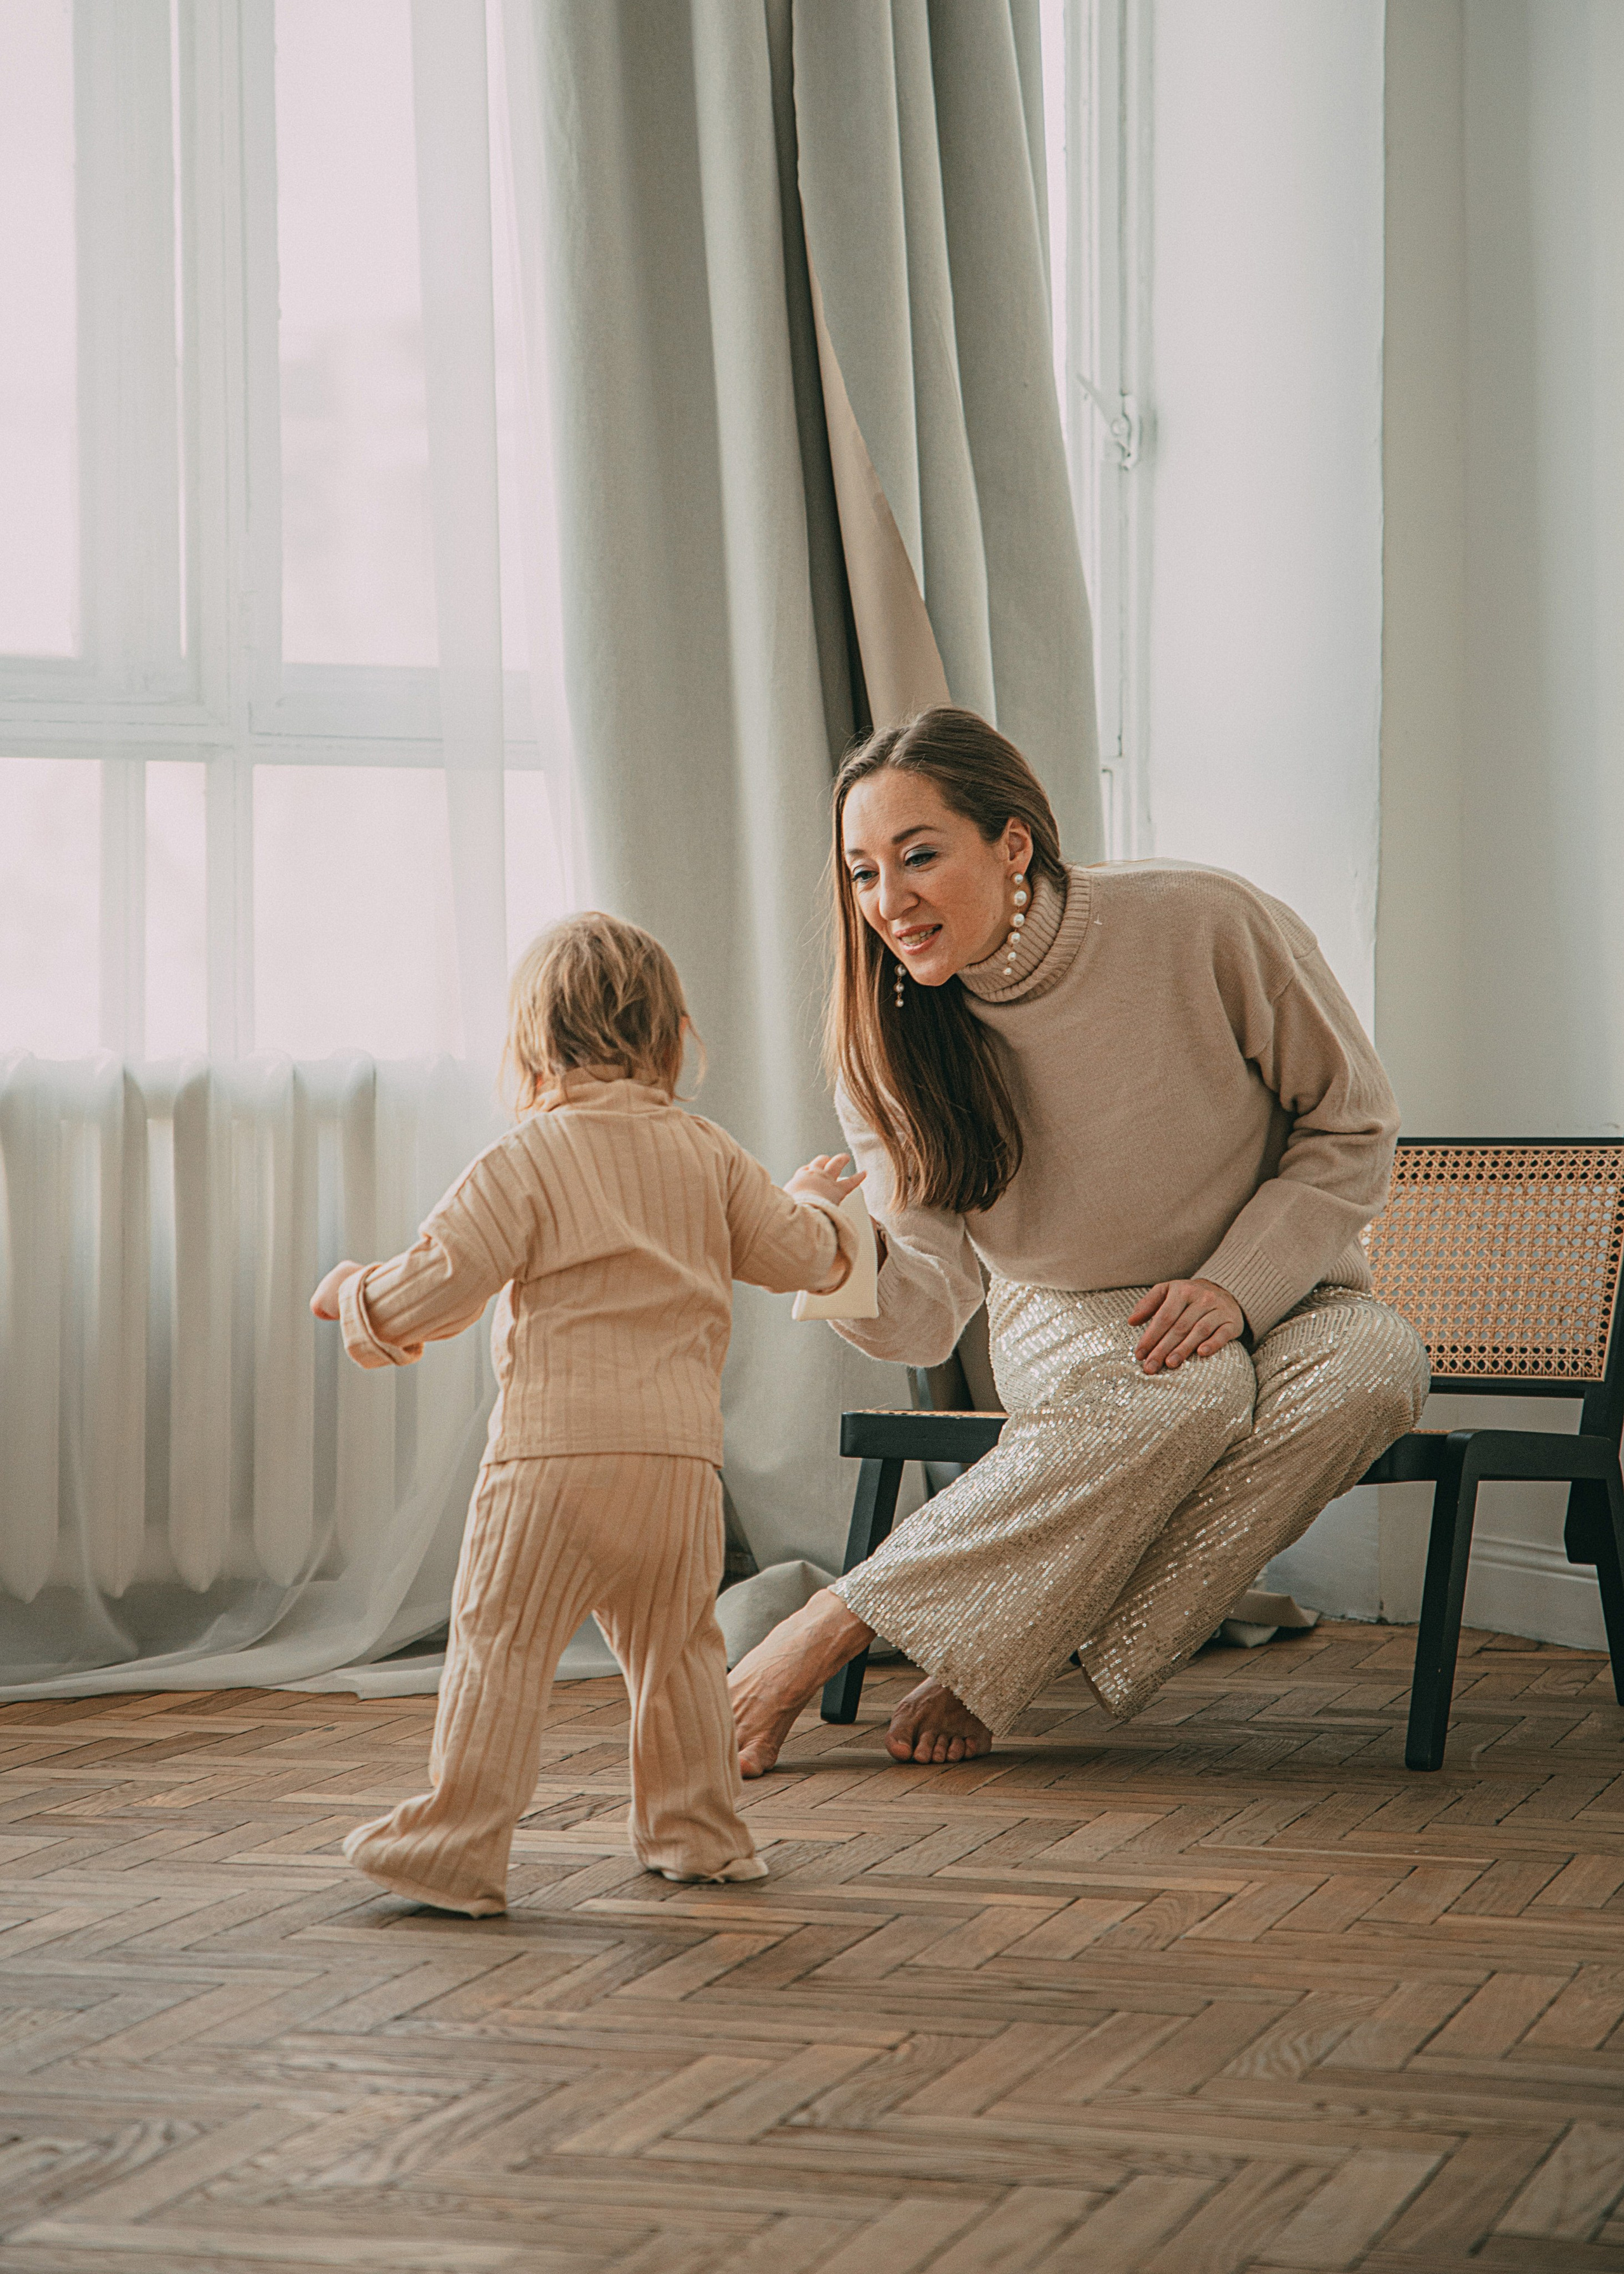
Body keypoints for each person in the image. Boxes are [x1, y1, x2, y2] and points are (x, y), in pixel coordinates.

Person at [729, 707, 1429, 1776]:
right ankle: (843, 1624)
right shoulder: (888, 1047)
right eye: (864, 873)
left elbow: (1354, 1120)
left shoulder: (1204, 920)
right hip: (1065, 1307)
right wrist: (828, 1252)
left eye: (919, 856)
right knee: (1189, 1391)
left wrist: (1234, 1289)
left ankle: (986, 1653)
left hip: (1287, 1291)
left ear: (1013, 842)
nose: (889, 901)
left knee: (1380, 1367)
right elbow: (924, 1310)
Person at [310, 912, 861, 1914]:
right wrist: (821, 1200)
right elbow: (806, 1255)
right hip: (679, 1468)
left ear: (532, 1042)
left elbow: (439, 1282)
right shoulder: (710, 1154)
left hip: (548, 1465)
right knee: (680, 1652)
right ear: (668, 1035)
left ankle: (454, 1846)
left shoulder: (525, 1160)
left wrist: (356, 1294)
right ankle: (700, 1831)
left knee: (500, 1647)